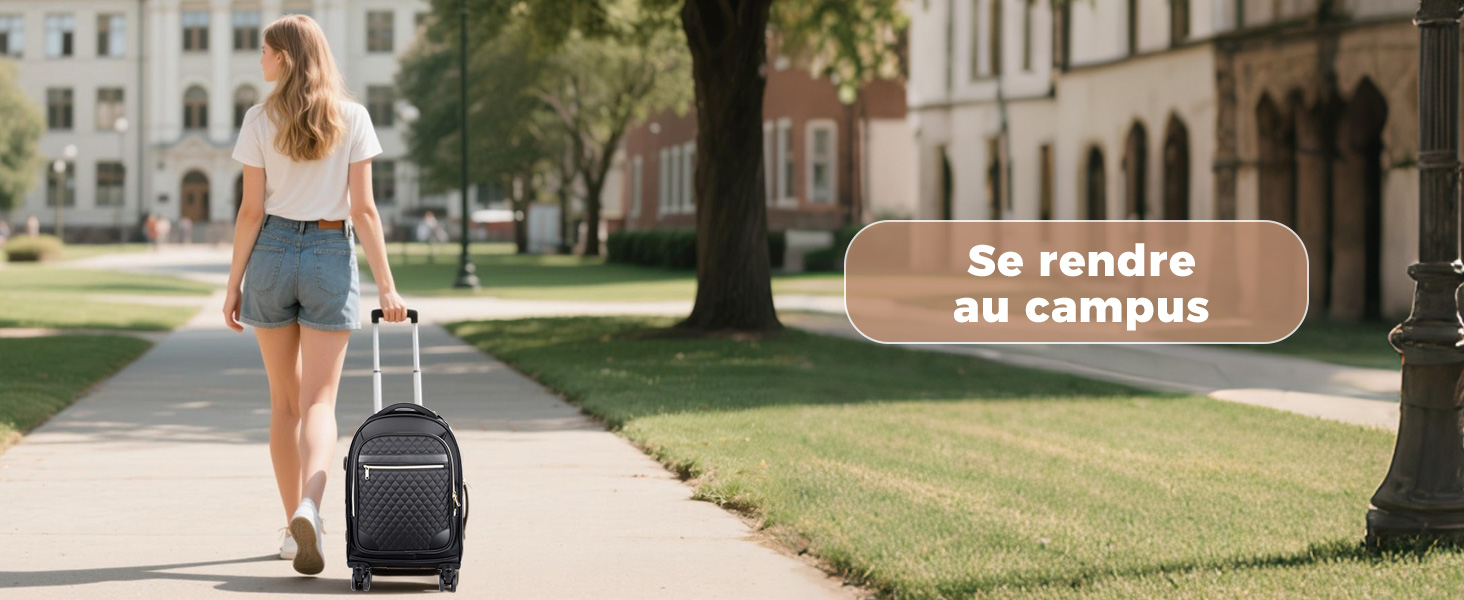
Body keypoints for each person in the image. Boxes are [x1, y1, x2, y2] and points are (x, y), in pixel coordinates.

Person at [223, 14, 407, 576]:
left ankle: (290, 529)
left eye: (265, 51)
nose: (260, 60)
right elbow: (365, 210)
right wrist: (388, 285)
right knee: (320, 404)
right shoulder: (352, 116)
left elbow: (251, 210)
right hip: (330, 251)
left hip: (273, 254)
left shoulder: (258, 118)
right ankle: (312, 507)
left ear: (284, 57)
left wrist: (233, 285)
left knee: (283, 405)